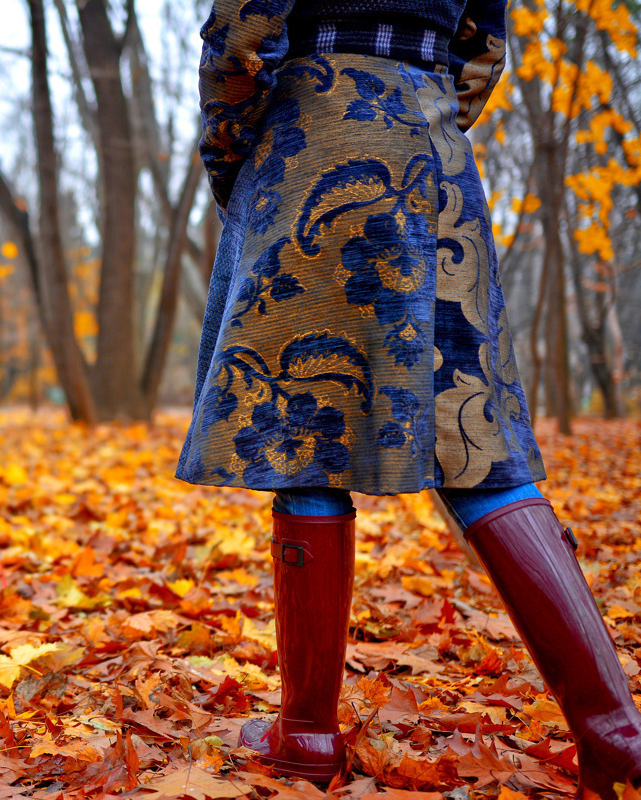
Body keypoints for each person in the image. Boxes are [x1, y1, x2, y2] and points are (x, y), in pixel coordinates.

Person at [176, 0, 641, 793]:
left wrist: (230, 154)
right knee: (475, 432)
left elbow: (242, 35)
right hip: (434, 153)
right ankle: (619, 739)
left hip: (312, 135)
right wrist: (419, 110)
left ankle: (309, 738)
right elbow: (483, 49)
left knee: (306, 422)